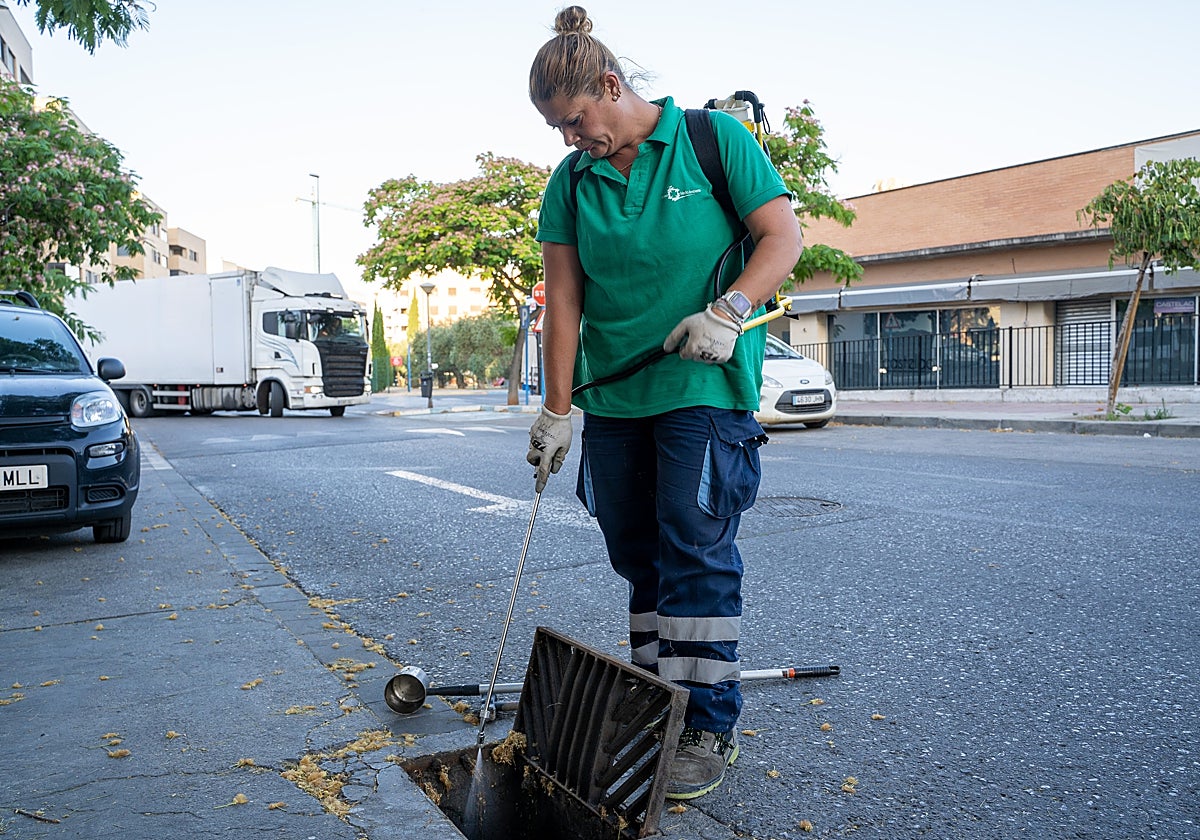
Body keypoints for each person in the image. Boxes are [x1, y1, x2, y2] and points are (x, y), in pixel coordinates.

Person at [525, 6, 803, 801]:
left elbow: (782, 238)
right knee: (636, 550)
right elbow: (566, 302)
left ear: (610, 87)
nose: (570, 139)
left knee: (693, 545)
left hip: (701, 390)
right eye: (557, 129)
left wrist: (730, 311)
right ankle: (658, 701)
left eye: (574, 121)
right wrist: (556, 410)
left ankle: (707, 724)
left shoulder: (715, 141)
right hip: (614, 399)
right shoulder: (571, 182)